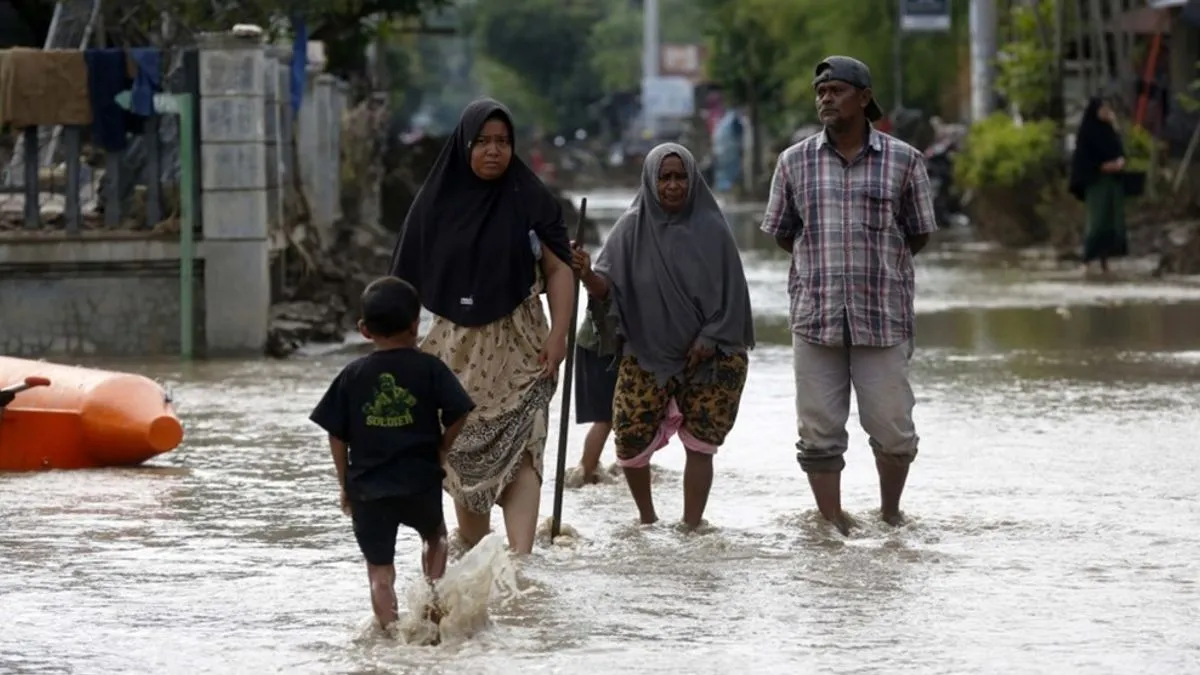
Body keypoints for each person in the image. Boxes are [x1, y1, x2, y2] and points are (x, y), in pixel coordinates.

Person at [388, 98, 575, 555]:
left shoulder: (530, 199)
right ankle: (475, 559)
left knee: (524, 451)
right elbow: (401, 287)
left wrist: (559, 335)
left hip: (523, 347)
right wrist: (397, 355)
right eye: (483, 142)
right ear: (464, 145)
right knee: (464, 460)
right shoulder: (434, 205)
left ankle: (522, 566)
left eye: (504, 142)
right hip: (457, 353)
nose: (494, 151)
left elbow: (558, 269)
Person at [760, 56, 938, 534]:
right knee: (817, 431)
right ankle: (831, 521)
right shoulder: (793, 162)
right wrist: (822, 267)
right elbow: (781, 233)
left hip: (882, 317)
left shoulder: (905, 160)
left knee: (894, 429)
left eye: (836, 90)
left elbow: (919, 234)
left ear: (863, 98)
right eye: (820, 92)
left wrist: (878, 266)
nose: (825, 99)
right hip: (815, 317)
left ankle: (890, 514)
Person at [572, 143, 755, 529]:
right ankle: (647, 519)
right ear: (651, 181)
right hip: (647, 352)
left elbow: (734, 297)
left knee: (702, 443)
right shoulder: (629, 229)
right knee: (629, 439)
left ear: (692, 179)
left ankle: (692, 524)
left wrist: (710, 338)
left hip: (709, 354)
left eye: (680, 176)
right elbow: (608, 290)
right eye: (665, 177)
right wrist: (587, 274)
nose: (673, 185)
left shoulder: (713, 229)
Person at [309, 277, 475, 631]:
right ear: (417, 325)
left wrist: (344, 485)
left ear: (364, 330)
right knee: (437, 537)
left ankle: (389, 640)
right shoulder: (430, 369)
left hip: (369, 490)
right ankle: (431, 600)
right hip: (420, 481)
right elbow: (460, 411)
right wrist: (443, 446)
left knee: (379, 575)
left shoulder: (352, 375)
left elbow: (336, 435)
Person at [1069, 96, 1129, 274]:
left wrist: (1119, 162)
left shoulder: (1110, 130)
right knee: (1096, 221)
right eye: (1103, 109)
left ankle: (1105, 260)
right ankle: (1087, 259)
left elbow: (1119, 150)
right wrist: (1102, 166)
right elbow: (1083, 159)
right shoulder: (1087, 132)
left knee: (1111, 221)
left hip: (1113, 182)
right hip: (1096, 182)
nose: (1106, 112)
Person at [571, 305, 619, 484]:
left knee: (612, 416)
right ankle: (587, 471)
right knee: (606, 417)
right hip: (601, 348)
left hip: (597, 344)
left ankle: (590, 470)